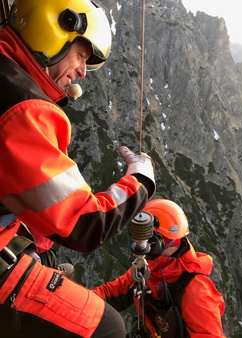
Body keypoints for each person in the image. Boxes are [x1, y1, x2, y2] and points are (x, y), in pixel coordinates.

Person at [0, 0, 156, 336]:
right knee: (109, 328)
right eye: (82, 56)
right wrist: (140, 181)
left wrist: (34, 247)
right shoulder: (21, 109)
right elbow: (86, 224)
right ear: (52, 32)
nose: (83, 72)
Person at [93, 199, 227, 338]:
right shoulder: (147, 268)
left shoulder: (197, 291)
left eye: (145, 237)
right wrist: (79, 301)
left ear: (157, 241)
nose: (140, 243)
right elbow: (112, 293)